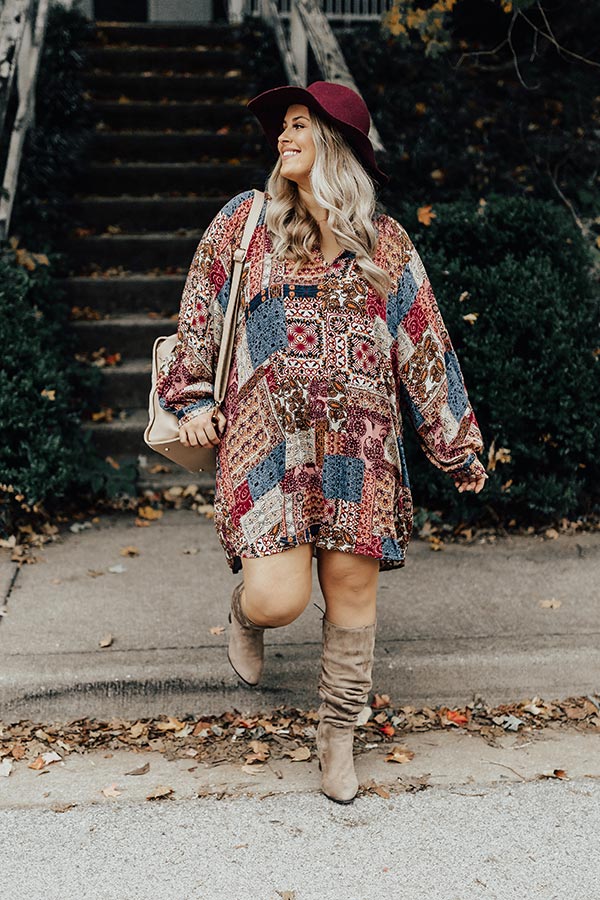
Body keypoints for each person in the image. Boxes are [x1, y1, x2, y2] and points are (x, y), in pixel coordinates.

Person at [156, 80, 487, 804]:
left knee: (351, 591)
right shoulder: (246, 223)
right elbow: (198, 316)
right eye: (283, 126)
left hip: (358, 449)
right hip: (267, 444)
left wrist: (454, 440)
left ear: (336, 143)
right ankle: (246, 617)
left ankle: (338, 737)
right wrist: (191, 400)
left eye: (299, 124)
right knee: (279, 595)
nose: (283, 135)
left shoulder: (386, 243)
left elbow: (424, 345)